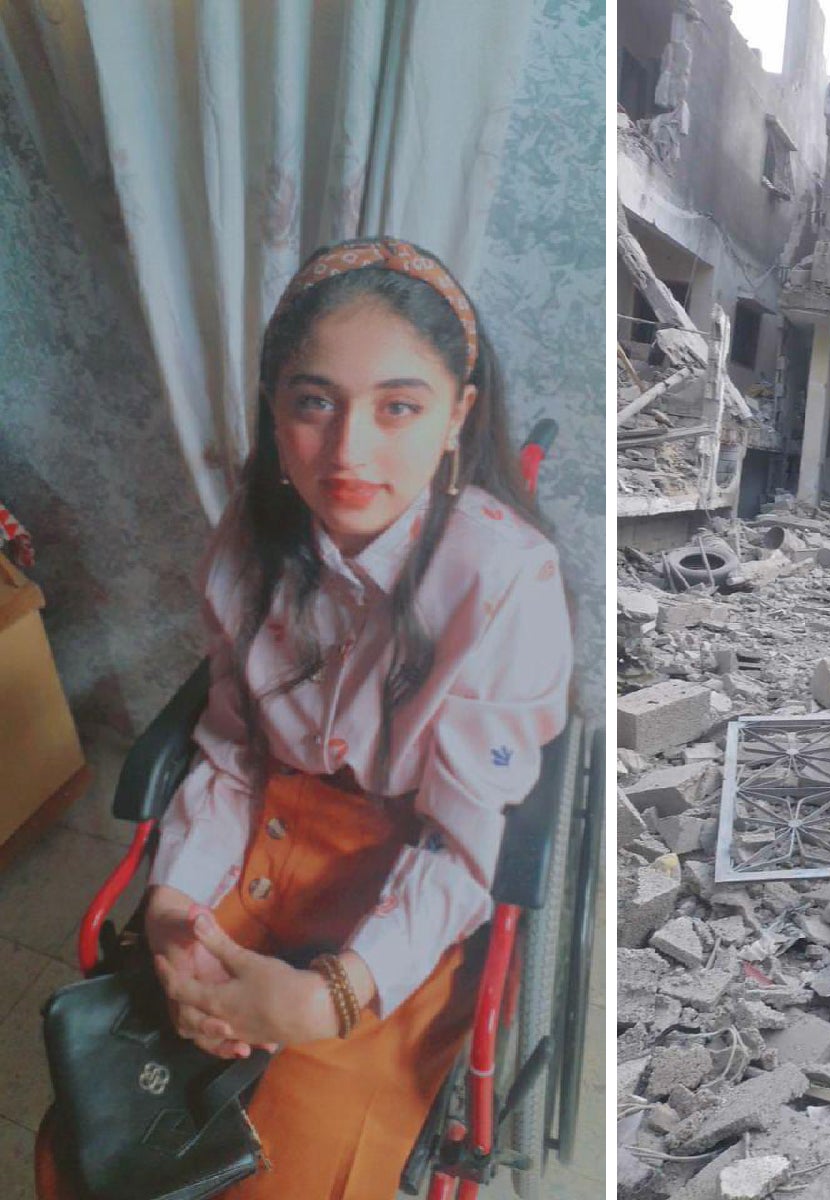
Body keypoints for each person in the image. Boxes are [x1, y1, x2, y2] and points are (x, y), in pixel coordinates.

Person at [35, 237, 573, 1198]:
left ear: (458, 415)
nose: (348, 451)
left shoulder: (505, 580)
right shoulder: (249, 541)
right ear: (275, 415)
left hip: (409, 891)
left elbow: (461, 846)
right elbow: (235, 747)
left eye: (398, 407)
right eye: (313, 402)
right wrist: (176, 907)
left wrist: (332, 998)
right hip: (256, 837)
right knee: (100, 1149)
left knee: (281, 1174)